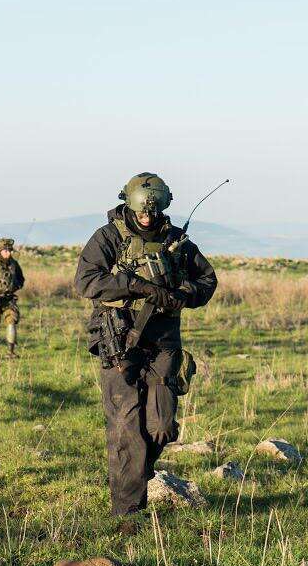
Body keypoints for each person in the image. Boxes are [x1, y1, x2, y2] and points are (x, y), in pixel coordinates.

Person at [74, 172, 217, 519]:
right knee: (126, 428)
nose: (147, 218)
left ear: (163, 206)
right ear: (130, 204)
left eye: (153, 212)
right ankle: (127, 513)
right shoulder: (109, 237)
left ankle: (138, 472)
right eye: (141, 212)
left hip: (164, 342)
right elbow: (87, 281)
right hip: (120, 339)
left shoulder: (177, 241)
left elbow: (207, 280)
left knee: (162, 426)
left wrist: (183, 293)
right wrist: (138, 287)